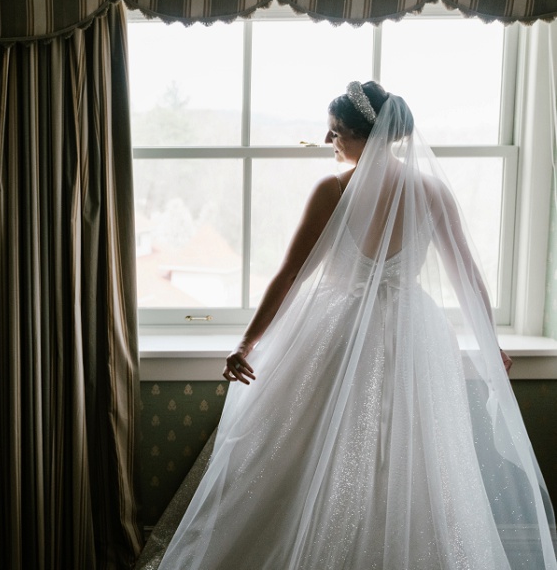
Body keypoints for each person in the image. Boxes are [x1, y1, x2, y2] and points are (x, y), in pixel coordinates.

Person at [136, 82, 557, 569]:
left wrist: (248, 342)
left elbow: (291, 274)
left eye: (337, 133)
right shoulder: (431, 191)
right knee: (404, 459)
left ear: (367, 138)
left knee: (309, 456)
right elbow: (467, 274)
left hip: (337, 332)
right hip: (410, 334)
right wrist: (491, 342)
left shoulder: (334, 189)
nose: (328, 140)